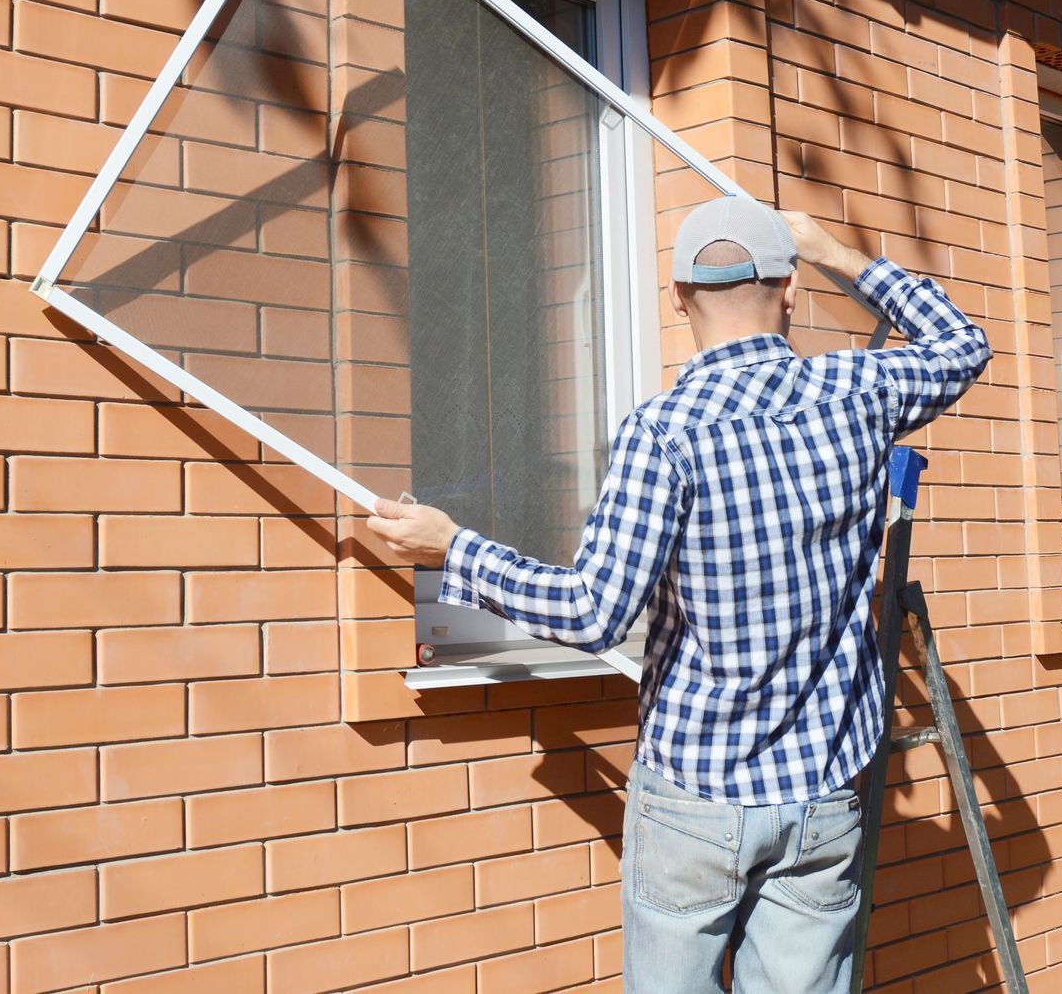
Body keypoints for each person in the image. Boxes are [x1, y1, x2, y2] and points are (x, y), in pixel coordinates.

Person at [367, 197, 990, 993]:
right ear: (790, 291)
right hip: (825, 792)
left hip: (698, 793)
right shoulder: (858, 391)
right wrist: (835, 249)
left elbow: (594, 611)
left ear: (678, 298)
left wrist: (454, 549)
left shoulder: (666, 431)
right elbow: (962, 342)